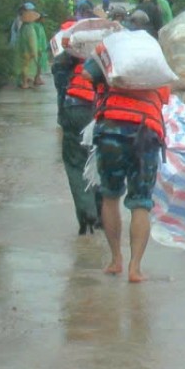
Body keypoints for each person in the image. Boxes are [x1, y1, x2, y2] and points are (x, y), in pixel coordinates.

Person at [82, 45, 170, 282]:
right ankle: (135, 268)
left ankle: (115, 260)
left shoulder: (109, 48)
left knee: (110, 197)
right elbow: (165, 96)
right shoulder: (153, 56)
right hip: (146, 132)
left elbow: (87, 74)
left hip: (111, 129)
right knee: (141, 202)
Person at [54, 33, 103, 235]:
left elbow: (60, 82)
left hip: (75, 106)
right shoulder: (106, 53)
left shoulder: (70, 55)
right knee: (100, 160)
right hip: (101, 109)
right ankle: (102, 214)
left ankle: (87, 213)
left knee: (76, 163)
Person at [13, 2, 42, 88]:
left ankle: (24, 81)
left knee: (24, 65)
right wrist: (33, 50)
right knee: (26, 65)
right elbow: (31, 41)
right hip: (29, 49)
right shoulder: (30, 28)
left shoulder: (22, 26)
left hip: (22, 48)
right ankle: (25, 83)